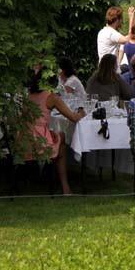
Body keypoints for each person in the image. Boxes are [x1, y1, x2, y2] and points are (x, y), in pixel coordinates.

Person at [22, 67, 85, 195]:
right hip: (38, 142)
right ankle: (65, 186)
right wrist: (81, 111)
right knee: (61, 139)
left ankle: (54, 180)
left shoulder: (28, 95)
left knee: (59, 137)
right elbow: (73, 118)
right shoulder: (51, 97)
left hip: (22, 141)